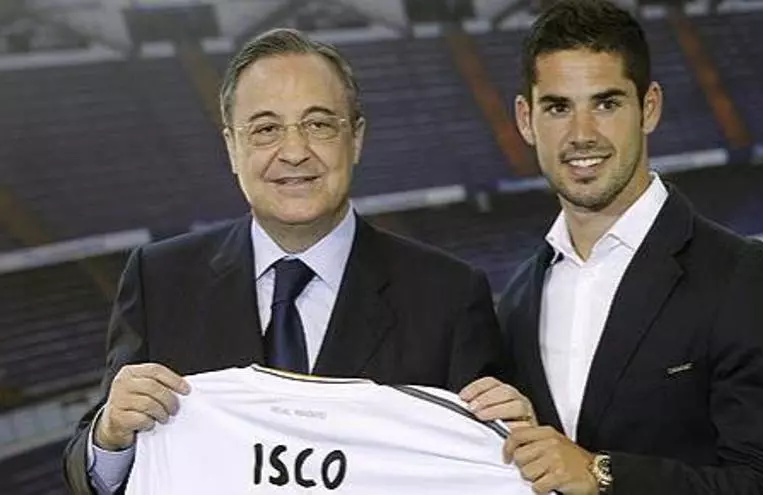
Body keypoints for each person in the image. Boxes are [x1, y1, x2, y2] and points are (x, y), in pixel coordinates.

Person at [63, 28, 503, 494]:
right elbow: (88, 472)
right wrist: (110, 437)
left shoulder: (450, 296)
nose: (294, 152)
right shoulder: (160, 279)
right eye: (266, 129)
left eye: (318, 124)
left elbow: (484, 471)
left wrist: (508, 441)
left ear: (355, 138)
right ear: (232, 148)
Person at [460, 1, 763, 493]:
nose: (581, 134)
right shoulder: (519, 299)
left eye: (606, 104)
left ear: (649, 107)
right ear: (525, 119)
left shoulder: (741, 275)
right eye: (558, 108)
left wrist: (600, 473)